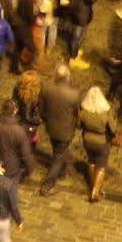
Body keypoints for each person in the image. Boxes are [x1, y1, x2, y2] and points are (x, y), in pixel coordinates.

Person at [38, 63, 82, 194]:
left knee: (57, 151)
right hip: (66, 130)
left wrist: (46, 120)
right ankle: (48, 185)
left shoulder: (46, 88)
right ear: (68, 77)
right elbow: (77, 113)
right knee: (58, 156)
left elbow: (41, 109)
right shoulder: (74, 94)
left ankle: (62, 172)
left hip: (51, 127)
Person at [79, 85, 119, 202]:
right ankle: (95, 192)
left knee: (91, 162)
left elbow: (78, 124)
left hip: (87, 140)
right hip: (102, 141)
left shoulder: (84, 111)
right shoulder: (106, 112)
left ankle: (93, 186)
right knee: (101, 166)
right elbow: (112, 129)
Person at [0, 97, 36, 182]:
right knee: (9, 190)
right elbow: (25, 153)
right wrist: (30, 168)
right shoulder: (18, 131)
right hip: (11, 167)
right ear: (15, 111)